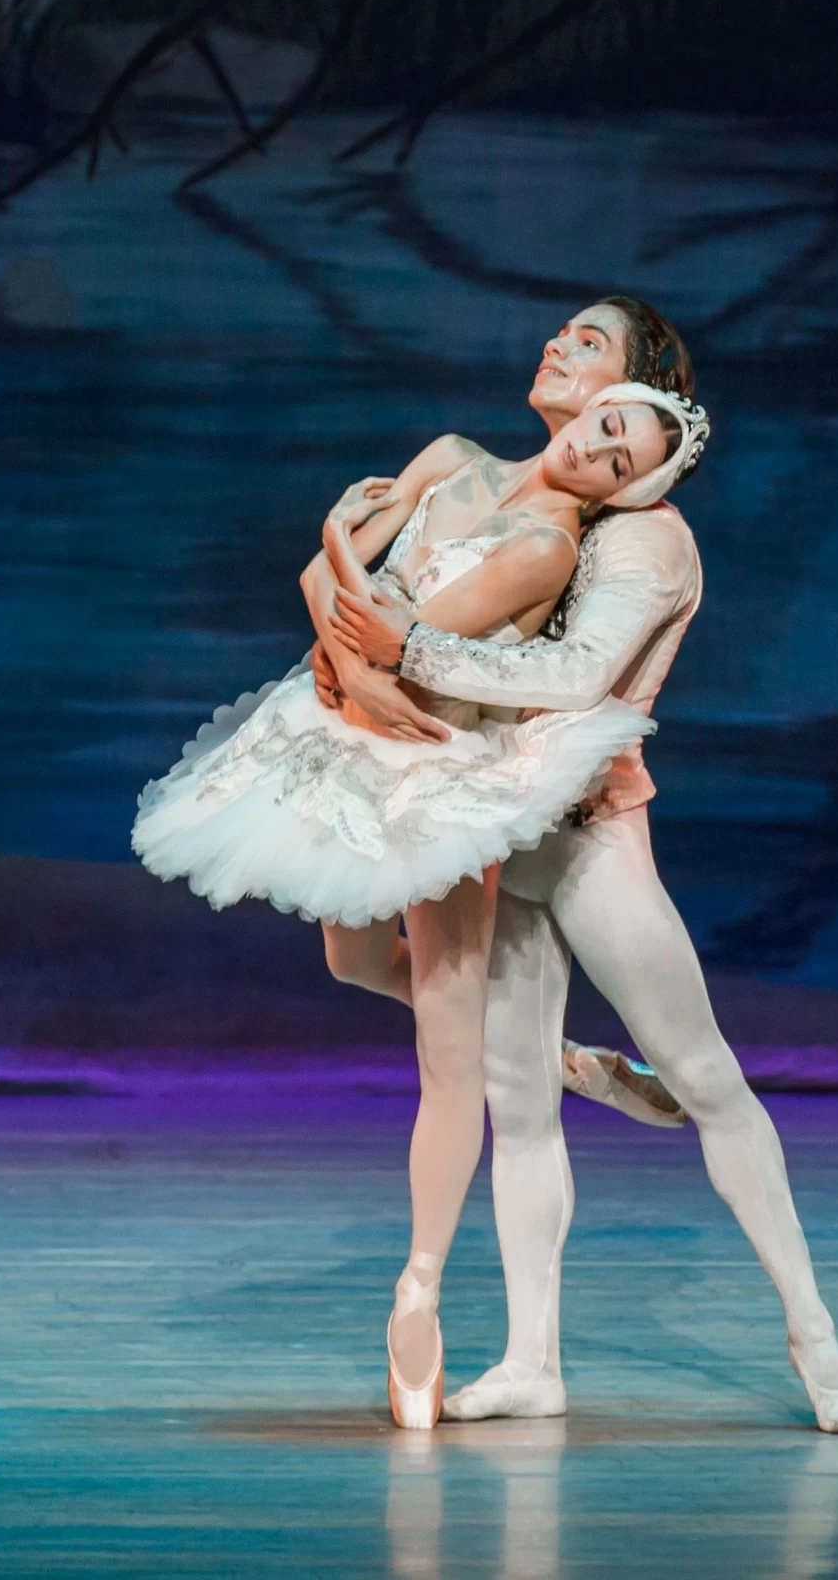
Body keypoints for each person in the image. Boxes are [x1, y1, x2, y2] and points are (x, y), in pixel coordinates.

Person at [328, 296, 838, 1436]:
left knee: (703, 1072)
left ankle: (815, 1337)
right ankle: (534, 1359)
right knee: (515, 1100)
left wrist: (413, 648)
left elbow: (577, 676)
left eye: (596, 354)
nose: (566, 361)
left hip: (583, 830)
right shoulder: (509, 484)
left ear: (642, 414)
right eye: (567, 342)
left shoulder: (644, 534)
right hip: (495, 824)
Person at [132, 381, 686, 1428]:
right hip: (347, 738)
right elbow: (323, 586)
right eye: (606, 423)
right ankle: (568, 1063)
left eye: (623, 461)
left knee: (447, 1051)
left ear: (628, 493)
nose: (598, 449)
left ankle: (418, 1295)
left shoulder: (549, 550)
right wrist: (338, 575)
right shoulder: (451, 453)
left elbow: (400, 629)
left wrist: (345, 567)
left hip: (433, 774)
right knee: (351, 963)